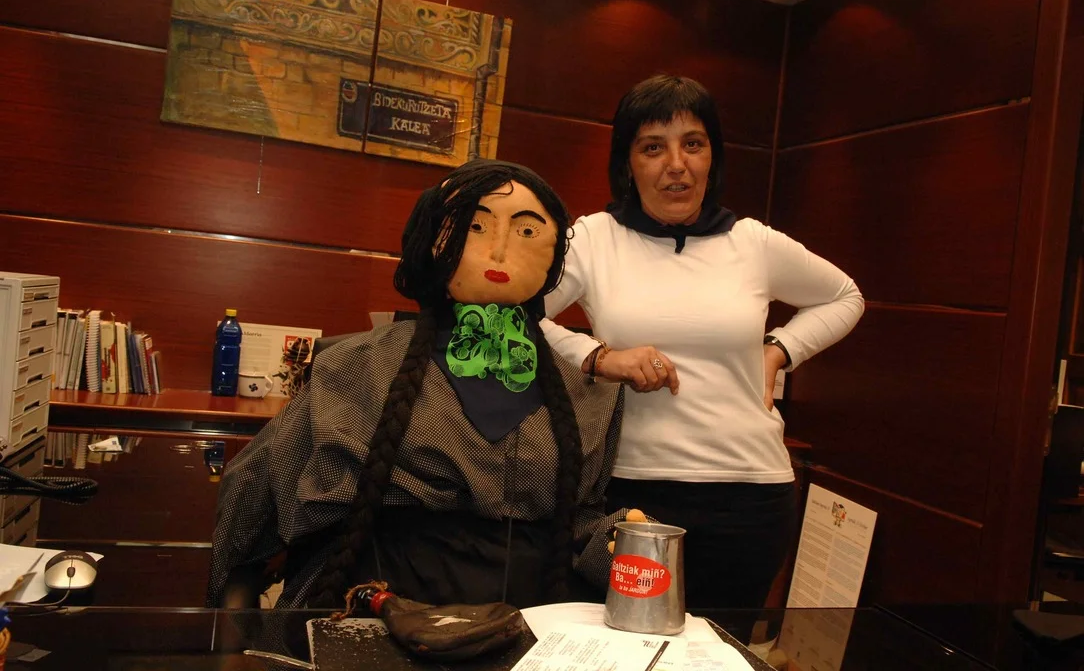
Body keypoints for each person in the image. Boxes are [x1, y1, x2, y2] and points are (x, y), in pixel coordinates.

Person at [207, 159, 638, 612]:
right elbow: (254, 494)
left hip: (535, 623)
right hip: (382, 611)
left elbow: (576, 519)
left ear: (553, 256)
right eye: (474, 226)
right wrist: (232, 613)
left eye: (527, 231)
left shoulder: (589, 393)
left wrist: (616, 541)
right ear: (431, 241)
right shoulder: (355, 367)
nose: (499, 250)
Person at [542, 75, 864, 615]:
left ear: (712, 156)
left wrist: (778, 350)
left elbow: (844, 296)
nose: (677, 164)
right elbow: (518, 317)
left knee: (722, 647)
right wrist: (597, 357)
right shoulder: (594, 238)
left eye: (693, 144)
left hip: (750, 495)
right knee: (624, 646)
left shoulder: (752, 241)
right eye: (653, 148)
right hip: (629, 492)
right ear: (627, 163)